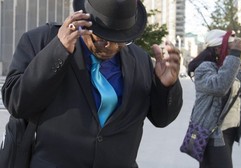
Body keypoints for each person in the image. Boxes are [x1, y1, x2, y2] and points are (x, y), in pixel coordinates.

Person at [1, 0, 183, 167]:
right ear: (83, 19)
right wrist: (58, 50)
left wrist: (165, 86)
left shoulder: (140, 59)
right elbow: (17, 103)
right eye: (102, 39)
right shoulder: (41, 41)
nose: (111, 47)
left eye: (120, 41)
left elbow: (161, 119)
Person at [187, 29, 241, 168]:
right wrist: (235, 56)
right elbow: (219, 87)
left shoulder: (234, 71)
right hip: (211, 133)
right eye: (231, 47)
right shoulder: (204, 69)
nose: (236, 50)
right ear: (218, 49)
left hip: (230, 133)